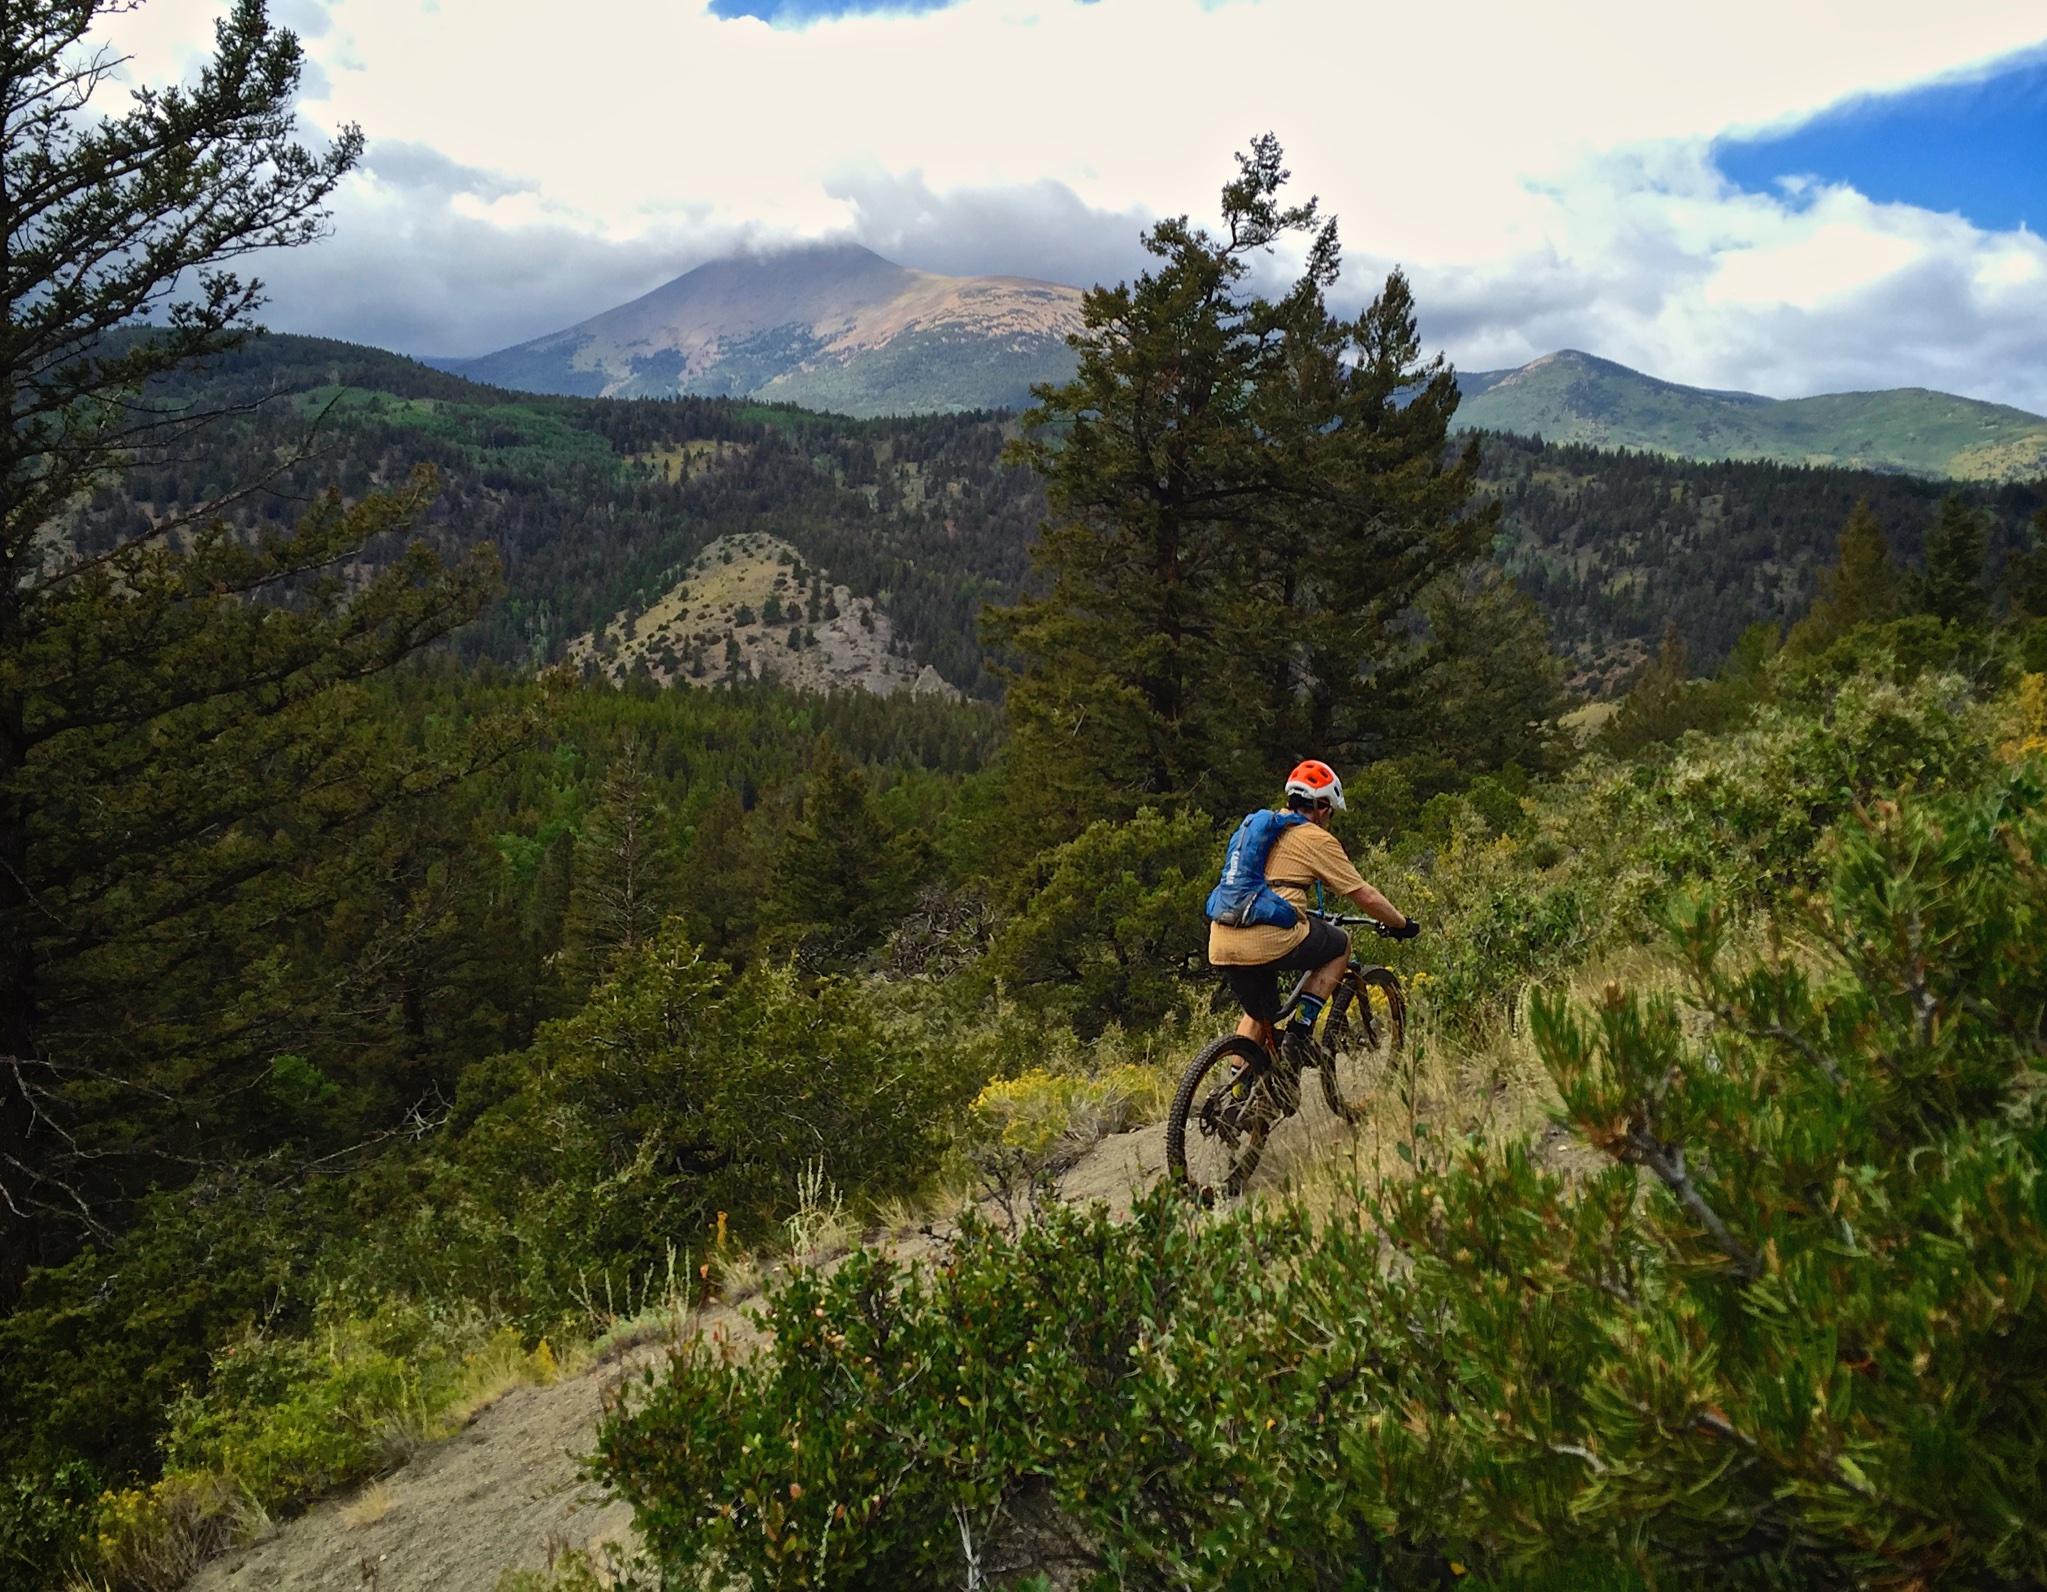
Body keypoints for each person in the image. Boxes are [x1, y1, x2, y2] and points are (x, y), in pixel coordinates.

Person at [1207, 760, 1418, 1084]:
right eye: (1330, 810)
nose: (1329, 818)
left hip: (1222, 938)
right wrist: (1401, 923)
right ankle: (1300, 1033)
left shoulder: (1264, 831)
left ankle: (1238, 1098)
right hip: (1269, 934)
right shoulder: (1314, 838)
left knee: (1257, 1015)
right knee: (1338, 944)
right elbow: (1364, 895)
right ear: (1321, 807)